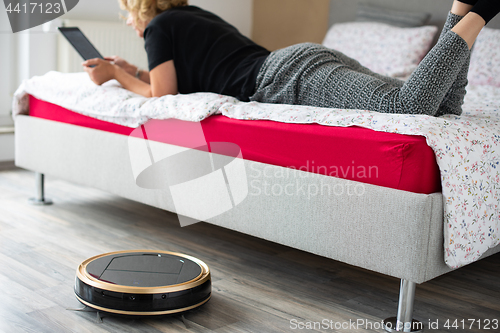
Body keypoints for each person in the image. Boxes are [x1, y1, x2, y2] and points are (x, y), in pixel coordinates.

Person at [83, 0, 500, 117]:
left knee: (408, 106)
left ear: (139, 11)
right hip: (297, 64)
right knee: (442, 105)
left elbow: (162, 95)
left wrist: (111, 79)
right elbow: (180, 75)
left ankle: (480, 12)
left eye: (127, 17)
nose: (131, 27)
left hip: (284, 78)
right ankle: (460, 9)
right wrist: (128, 69)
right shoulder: (188, 17)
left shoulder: (159, 27)